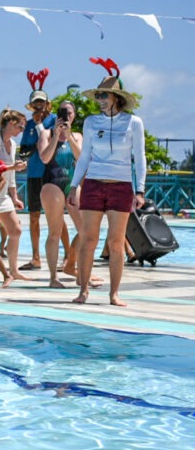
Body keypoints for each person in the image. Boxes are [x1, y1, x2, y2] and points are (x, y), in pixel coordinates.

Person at [68, 73, 147, 307]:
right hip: (93, 184)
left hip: (121, 187)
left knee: (116, 242)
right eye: (98, 95)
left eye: (104, 95)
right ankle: (83, 290)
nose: (100, 99)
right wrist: (74, 185)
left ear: (116, 97)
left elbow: (139, 157)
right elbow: (84, 156)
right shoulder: (91, 122)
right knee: (88, 239)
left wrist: (140, 190)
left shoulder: (134, 122)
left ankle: (114, 294)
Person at [38, 100, 92, 288]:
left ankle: (81, 273)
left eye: (69, 113)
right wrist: (56, 135)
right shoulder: (46, 133)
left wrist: (68, 137)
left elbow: (81, 158)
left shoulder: (77, 136)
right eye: (63, 112)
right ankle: (53, 277)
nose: (66, 116)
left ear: (74, 115)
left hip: (71, 183)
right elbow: (45, 158)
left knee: (85, 231)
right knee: (54, 232)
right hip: (51, 183)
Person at [20, 87, 57, 270]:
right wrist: (38, 142)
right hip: (33, 173)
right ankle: (36, 257)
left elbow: (55, 142)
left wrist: (40, 135)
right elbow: (23, 151)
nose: (39, 105)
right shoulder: (28, 125)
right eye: (36, 102)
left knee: (55, 216)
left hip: (52, 172)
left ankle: (67, 256)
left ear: (47, 103)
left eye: (41, 101)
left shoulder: (54, 120)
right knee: (34, 216)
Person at [0, 110, 29, 286]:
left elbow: (11, 176)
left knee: (15, 230)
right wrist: (13, 167)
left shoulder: (13, 144)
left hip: (3, 195)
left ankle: (13, 271)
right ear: (11, 123)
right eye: (20, 126)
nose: (22, 130)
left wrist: (15, 197)